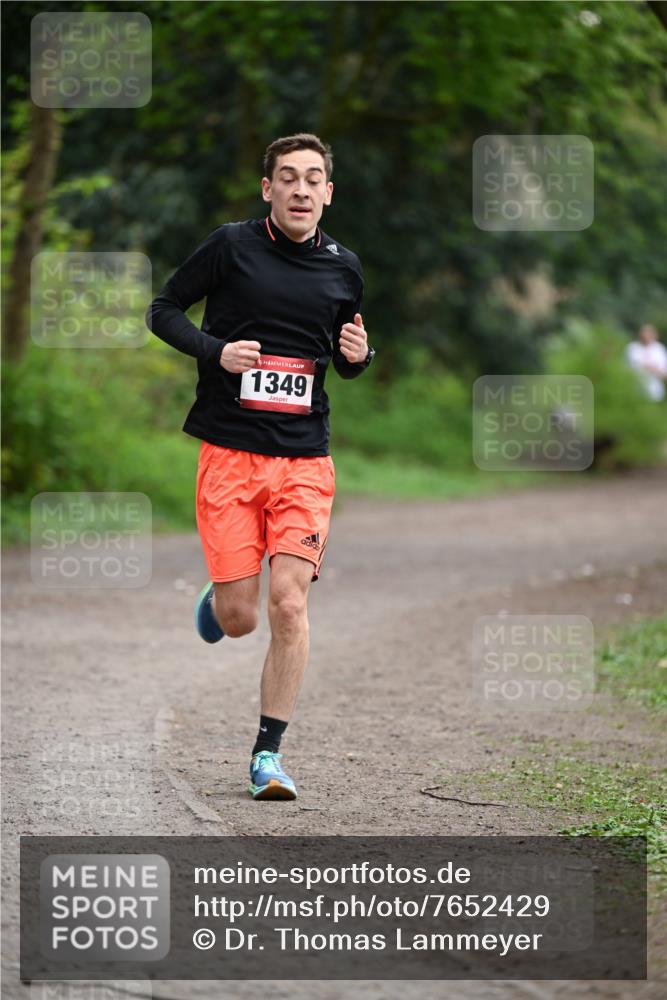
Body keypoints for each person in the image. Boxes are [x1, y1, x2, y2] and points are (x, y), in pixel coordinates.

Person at [145, 133, 374, 801]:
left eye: (313, 179)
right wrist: (215, 351)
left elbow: (343, 358)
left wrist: (359, 355)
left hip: (305, 458)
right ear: (268, 188)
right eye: (288, 177)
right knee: (243, 616)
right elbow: (162, 310)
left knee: (290, 603)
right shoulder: (230, 246)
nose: (301, 189)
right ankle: (221, 600)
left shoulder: (344, 268)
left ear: (328, 193)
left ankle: (267, 756)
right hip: (230, 453)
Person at [625, 324, 667, 401]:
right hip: (634, 389)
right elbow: (626, 367)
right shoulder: (632, 348)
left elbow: (664, 372)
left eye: (649, 333)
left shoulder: (660, 350)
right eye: (644, 333)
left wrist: (652, 368)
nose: (646, 335)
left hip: (654, 391)